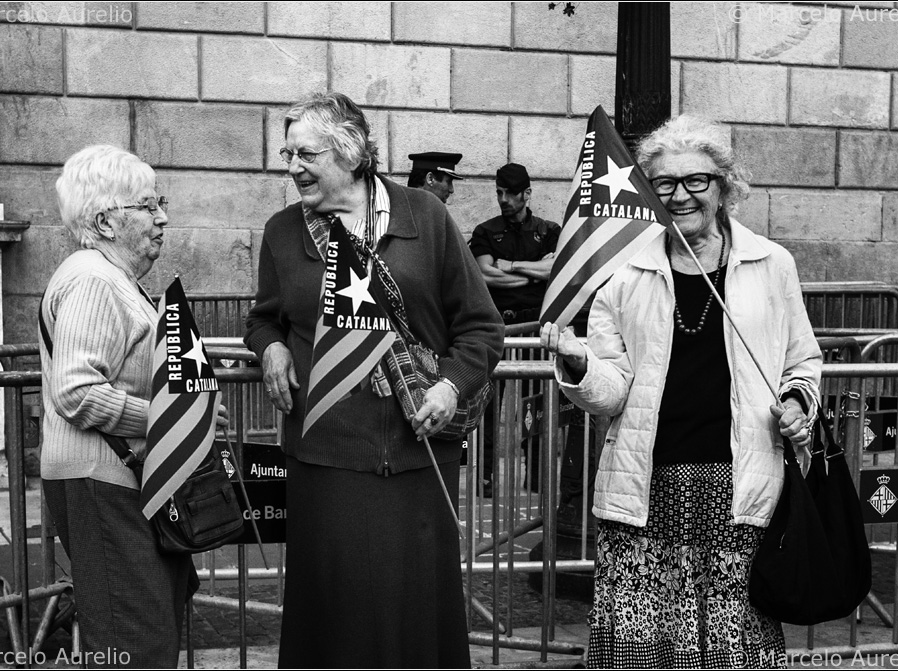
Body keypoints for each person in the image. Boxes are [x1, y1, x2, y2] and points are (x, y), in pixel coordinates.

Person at [540, 115, 822, 668]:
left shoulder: (772, 264)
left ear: (723, 186)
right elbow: (612, 393)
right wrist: (578, 362)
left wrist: (795, 402)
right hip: (645, 487)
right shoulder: (624, 275)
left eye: (697, 180)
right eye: (665, 184)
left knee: (732, 646)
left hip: (741, 483)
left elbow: (802, 360)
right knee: (643, 650)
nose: (681, 195)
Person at [244, 92, 504, 668]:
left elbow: (482, 328)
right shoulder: (284, 231)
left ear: (352, 152)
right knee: (334, 619)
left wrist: (449, 386)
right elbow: (263, 316)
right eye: (288, 154)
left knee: (411, 618)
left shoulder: (425, 218)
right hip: (324, 457)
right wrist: (271, 351)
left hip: (417, 454)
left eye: (305, 154)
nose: (292, 167)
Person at [39, 145, 208, 667]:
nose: (162, 217)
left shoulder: (109, 278)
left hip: (117, 480)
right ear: (105, 221)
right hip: (103, 482)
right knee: (136, 642)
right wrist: (170, 423)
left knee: (143, 626)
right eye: (147, 205)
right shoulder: (93, 279)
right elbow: (75, 391)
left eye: (160, 203)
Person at [469, 163, 560, 496]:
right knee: (490, 404)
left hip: (537, 325)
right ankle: (486, 479)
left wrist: (508, 265)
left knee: (539, 402)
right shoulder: (485, 231)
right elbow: (485, 275)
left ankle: (537, 479)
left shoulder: (549, 230)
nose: (503, 199)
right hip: (502, 325)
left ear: (527, 194)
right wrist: (532, 273)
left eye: (510, 193)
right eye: (499, 192)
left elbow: (556, 270)